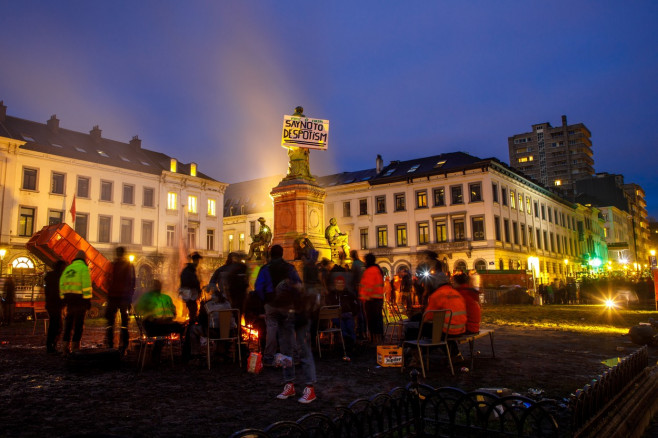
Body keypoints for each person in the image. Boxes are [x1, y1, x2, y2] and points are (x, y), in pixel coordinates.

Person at [255, 245, 316, 403]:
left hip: (280, 308)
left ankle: (293, 383)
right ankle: (298, 385)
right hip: (290, 309)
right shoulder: (290, 268)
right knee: (295, 347)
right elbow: (299, 286)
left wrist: (267, 301)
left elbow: (258, 288)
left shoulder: (265, 269)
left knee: (286, 347)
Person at [135, 280, 185, 361]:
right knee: (162, 332)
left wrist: (169, 319)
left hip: (166, 324)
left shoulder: (166, 298)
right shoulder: (146, 298)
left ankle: (184, 353)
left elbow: (173, 311)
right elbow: (137, 309)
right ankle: (155, 355)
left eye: (158, 285)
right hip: (151, 325)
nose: (157, 287)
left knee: (182, 327)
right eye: (155, 285)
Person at [59, 250, 92, 354]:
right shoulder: (84, 268)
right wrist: (87, 300)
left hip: (69, 300)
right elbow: (86, 285)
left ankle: (65, 347)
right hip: (80, 300)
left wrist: (63, 298)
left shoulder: (68, 268)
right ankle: (75, 347)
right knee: (78, 324)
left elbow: (61, 284)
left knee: (68, 324)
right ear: (84, 258)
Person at [105, 246, 136, 353]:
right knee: (124, 323)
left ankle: (110, 344)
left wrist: (108, 292)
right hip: (124, 297)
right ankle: (123, 345)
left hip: (113, 297)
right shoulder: (129, 265)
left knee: (110, 322)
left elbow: (106, 279)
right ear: (124, 254)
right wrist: (130, 297)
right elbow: (132, 282)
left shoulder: (111, 265)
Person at [359, 253, 384, 345]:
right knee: (378, 319)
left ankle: (373, 340)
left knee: (372, 321)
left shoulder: (369, 271)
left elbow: (368, 286)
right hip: (379, 298)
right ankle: (379, 339)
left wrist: (363, 297)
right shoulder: (378, 269)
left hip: (371, 300)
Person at [44, 261, 66, 354]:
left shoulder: (50, 276)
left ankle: (51, 345)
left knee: (54, 325)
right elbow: (59, 291)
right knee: (57, 325)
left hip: (51, 304)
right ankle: (52, 346)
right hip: (56, 304)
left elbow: (48, 291)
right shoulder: (59, 277)